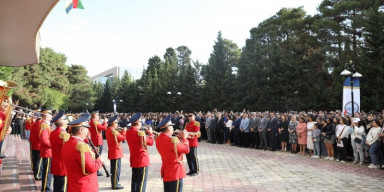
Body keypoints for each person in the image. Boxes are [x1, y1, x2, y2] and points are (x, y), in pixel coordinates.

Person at [62, 113, 103, 192]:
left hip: (73, 185)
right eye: (86, 129)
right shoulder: (81, 146)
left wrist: (91, 152)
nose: (88, 131)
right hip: (85, 186)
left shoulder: (67, 143)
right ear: (81, 130)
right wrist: (99, 160)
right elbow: (92, 167)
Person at [156, 115, 190, 192]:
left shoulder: (158, 138)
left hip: (166, 171)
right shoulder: (171, 140)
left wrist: (178, 138)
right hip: (175, 172)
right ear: (168, 128)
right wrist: (184, 138)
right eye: (172, 127)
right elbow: (186, 149)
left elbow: (171, 148)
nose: (173, 128)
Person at [126, 112, 154, 192]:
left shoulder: (128, 132)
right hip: (142, 160)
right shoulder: (140, 133)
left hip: (134, 159)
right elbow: (150, 142)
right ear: (138, 123)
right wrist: (151, 133)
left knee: (134, 181)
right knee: (141, 182)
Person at [50, 110, 69, 192]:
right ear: (62, 123)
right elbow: (68, 151)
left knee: (57, 187)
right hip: (63, 165)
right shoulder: (64, 134)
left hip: (56, 164)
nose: (67, 122)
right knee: (62, 188)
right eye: (65, 120)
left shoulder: (53, 132)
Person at [106, 114, 127, 190]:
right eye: (116, 123)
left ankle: (114, 182)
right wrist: (124, 131)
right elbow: (123, 138)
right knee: (116, 170)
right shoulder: (114, 131)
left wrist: (120, 131)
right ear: (113, 123)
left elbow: (117, 137)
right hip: (116, 152)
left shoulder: (109, 130)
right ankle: (115, 184)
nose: (117, 124)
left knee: (114, 169)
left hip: (113, 151)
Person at [88, 110, 108, 176]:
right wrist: (105, 122)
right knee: (97, 155)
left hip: (96, 140)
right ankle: (97, 170)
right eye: (97, 115)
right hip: (97, 140)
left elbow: (100, 127)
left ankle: (97, 169)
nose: (98, 116)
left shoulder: (94, 122)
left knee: (96, 155)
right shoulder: (94, 122)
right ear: (95, 116)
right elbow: (104, 128)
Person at [39, 108, 54, 192]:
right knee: (47, 172)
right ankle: (45, 188)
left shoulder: (46, 124)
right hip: (48, 151)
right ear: (46, 115)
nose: (51, 116)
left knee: (48, 172)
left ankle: (46, 187)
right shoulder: (44, 125)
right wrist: (53, 145)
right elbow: (44, 140)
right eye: (50, 114)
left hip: (48, 151)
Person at [184, 111, 200, 176]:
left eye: (191, 116)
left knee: (194, 157)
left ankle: (196, 171)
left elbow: (197, 132)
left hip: (193, 142)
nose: (189, 118)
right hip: (187, 142)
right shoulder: (187, 124)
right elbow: (185, 130)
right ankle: (191, 169)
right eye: (189, 116)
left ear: (194, 117)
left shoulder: (196, 123)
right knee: (188, 157)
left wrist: (188, 133)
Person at [30, 107, 43, 180]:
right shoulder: (41, 125)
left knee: (35, 160)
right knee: (38, 161)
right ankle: (38, 175)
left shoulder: (35, 124)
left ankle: (36, 172)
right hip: (39, 145)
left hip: (34, 144)